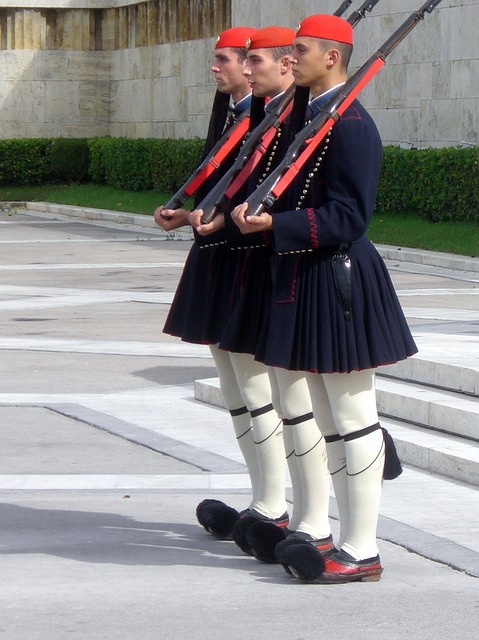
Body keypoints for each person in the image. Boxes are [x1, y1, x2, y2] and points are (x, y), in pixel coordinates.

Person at [232, 14, 417, 583]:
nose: (293, 59)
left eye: (302, 51)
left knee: (354, 417)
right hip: (303, 276)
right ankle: (334, 535)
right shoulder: (309, 118)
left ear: (332, 57)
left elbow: (350, 216)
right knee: (326, 418)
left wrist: (274, 226)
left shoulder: (352, 126)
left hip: (338, 279)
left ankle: (362, 550)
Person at [197, 28, 334, 562]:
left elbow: (326, 207)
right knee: (242, 395)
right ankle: (271, 500)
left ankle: (301, 512)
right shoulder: (253, 116)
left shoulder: (299, 121)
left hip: (274, 265)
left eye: (250, 59)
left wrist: (246, 223)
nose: (238, 70)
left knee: (287, 403)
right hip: (241, 260)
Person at [156, 27, 290, 543]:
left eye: (229, 60)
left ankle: (276, 504)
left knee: (260, 391)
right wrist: (190, 211)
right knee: (236, 390)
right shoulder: (238, 114)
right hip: (222, 254)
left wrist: (223, 220)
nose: (220, 69)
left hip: (252, 258)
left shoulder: (276, 116)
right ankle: (263, 497)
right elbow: (223, 178)